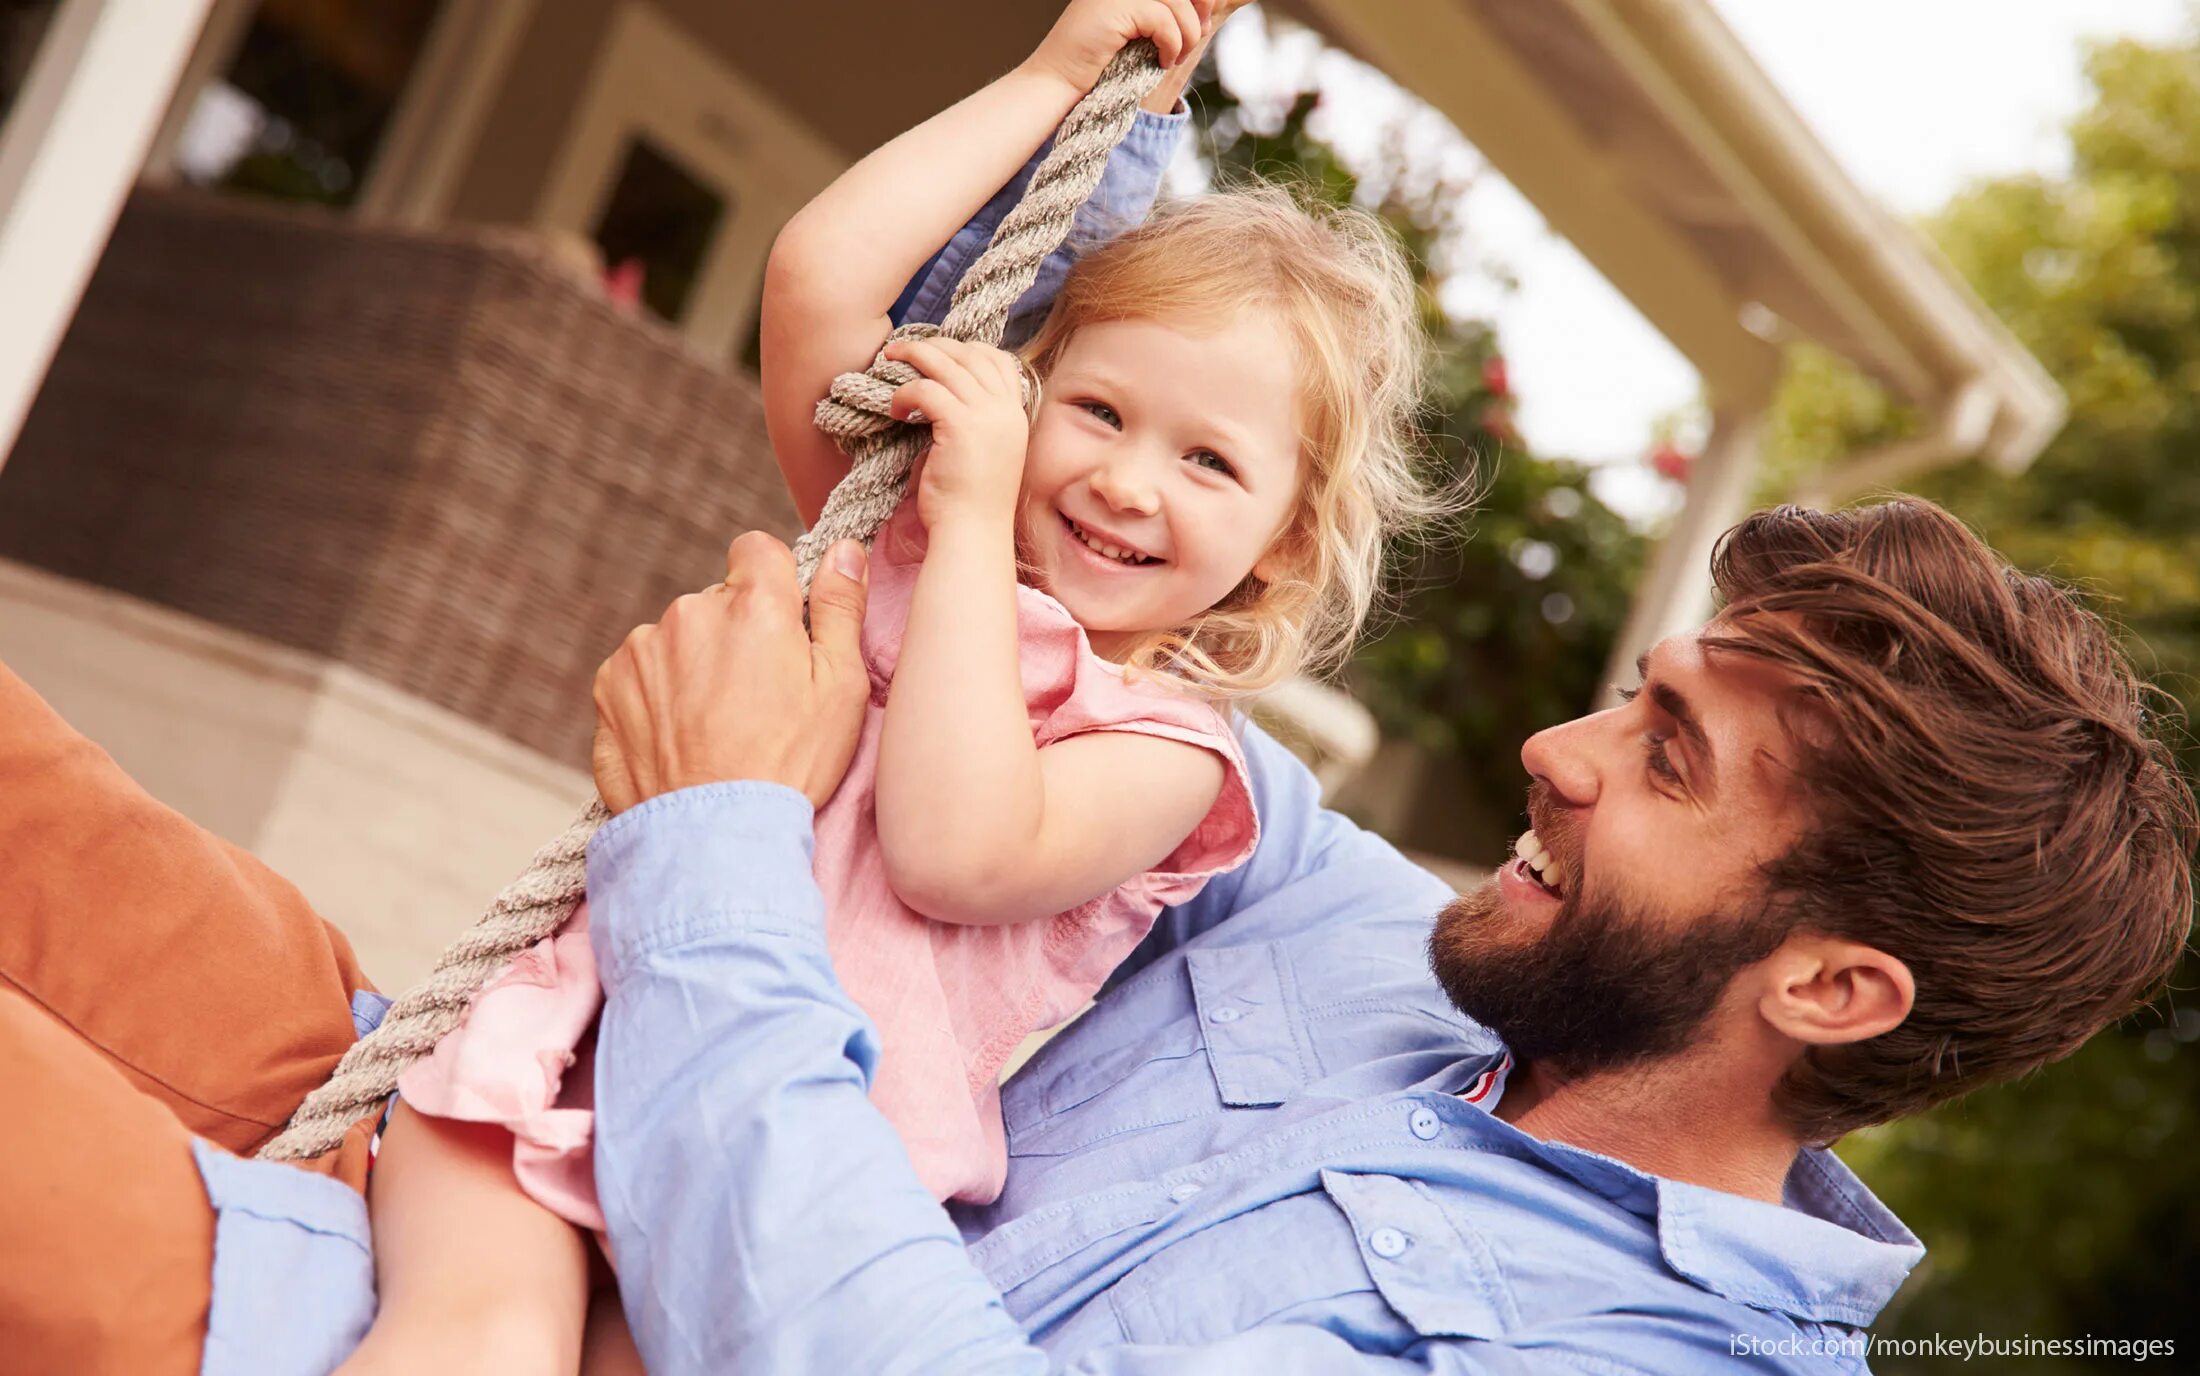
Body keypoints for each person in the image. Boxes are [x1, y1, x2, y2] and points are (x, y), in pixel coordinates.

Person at [5, 40, 2193, 1376]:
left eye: (1664, 762)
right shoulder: (1414, 949)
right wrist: (1097, 94)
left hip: (444, 1304)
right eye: (1638, 698)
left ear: (1826, 978)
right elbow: (934, 344)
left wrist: (712, 840)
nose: (1550, 752)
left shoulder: (1596, 1348)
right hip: (473, 1096)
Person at [353, 0, 1457, 1368]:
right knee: (480, 1339)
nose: (1125, 480)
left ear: (1282, 543)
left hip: (791, 1178)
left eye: (1208, 463)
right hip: (564, 1053)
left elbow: (953, 847)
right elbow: (819, 282)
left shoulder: (1171, 755)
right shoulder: (914, 524)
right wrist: (1051, 80)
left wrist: (981, 516)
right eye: (1099, 411)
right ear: (1025, 392)